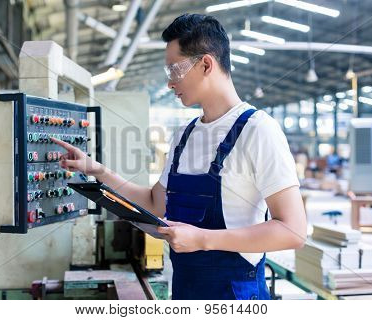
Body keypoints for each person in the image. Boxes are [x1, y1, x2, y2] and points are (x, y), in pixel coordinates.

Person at [52, 13, 306, 300]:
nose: (170, 83)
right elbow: (155, 203)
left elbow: (293, 231)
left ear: (206, 64)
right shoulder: (184, 136)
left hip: (237, 295)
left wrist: (203, 239)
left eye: (175, 70)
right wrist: (97, 170)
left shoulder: (258, 130)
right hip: (186, 292)